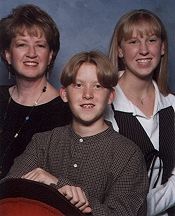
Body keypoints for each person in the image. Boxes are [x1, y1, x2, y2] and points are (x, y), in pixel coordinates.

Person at [1, 51, 148, 215]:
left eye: (97, 86)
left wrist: (59, 184)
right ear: (64, 94)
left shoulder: (128, 155)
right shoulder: (42, 142)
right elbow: (8, 191)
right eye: (78, 85)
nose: (87, 95)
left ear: (110, 96)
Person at [105, 9, 175, 216]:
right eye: (133, 42)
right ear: (119, 50)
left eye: (151, 40)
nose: (143, 50)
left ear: (162, 48)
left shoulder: (172, 104)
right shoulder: (104, 105)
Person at [0, 4, 72, 179]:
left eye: (40, 45)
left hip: (30, 203)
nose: (31, 53)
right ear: (8, 54)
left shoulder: (65, 112)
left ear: (50, 56)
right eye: (22, 45)